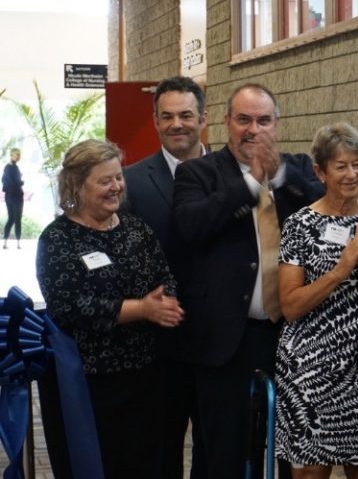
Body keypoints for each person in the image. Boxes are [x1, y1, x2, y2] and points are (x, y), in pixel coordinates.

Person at [172, 83, 324, 479]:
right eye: (243, 120)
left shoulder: (299, 170)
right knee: (225, 452)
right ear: (225, 124)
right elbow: (191, 225)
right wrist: (250, 185)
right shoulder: (198, 173)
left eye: (263, 120)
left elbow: (326, 216)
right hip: (225, 340)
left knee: (294, 450)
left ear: (277, 125)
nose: (252, 130)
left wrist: (279, 176)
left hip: (292, 337)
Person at [36, 139, 185, 479]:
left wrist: (165, 302)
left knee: (146, 464)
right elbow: (71, 306)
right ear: (76, 184)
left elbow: (164, 277)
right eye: (105, 180)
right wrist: (142, 309)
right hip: (88, 384)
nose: (116, 186)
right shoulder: (58, 239)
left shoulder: (136, 229)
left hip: (145, 377)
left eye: (118, 177)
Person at [276, 122, 358, 479]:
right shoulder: (299, 225)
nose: (351, 174)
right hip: (309, 369)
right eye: (341, 165)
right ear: (320, 171)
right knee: (312, 471)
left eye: (357, 163)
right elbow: (291, 306)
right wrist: (340, 270)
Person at [123, 76, 208, 479]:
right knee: (162, 450)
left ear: (203, 119)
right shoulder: (132, 182)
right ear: (155, 122)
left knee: (217, 450)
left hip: (221, 343)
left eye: (186, 115)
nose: (178, 124)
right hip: (159, 345)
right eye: (168, 116)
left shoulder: (234, 176)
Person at [2, 147, 24, 249]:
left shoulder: (6, 167)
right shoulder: (14, 168)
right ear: (12, 155)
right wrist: (22, 181)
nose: (19, 157)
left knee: (11, 218)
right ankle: (18, 243)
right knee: (17, 219)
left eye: (19, 155)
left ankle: (5, 243)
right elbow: (18, 182)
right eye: (17, 155)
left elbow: (4, 181)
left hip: (8, 196)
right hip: (16, 196)